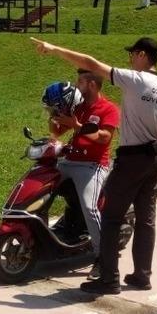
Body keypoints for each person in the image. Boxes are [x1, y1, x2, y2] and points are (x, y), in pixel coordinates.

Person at [31, 36, 157, 295]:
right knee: (146, 220)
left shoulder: (136, 79)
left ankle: (108, 278)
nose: (130, 59)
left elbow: (90, 63)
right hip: (153, 159)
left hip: (131, 157)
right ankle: (142, 276)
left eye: (133, 54)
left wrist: (53, 49)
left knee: (110, 216)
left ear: (142, 55)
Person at [46, 70, 120, 279]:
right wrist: (54, 115)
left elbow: (104, 138)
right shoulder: (77, 106)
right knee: (39, 183)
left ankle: (102, 257)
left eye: (81, 81)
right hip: (69, 161)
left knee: (90, 207)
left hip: (92, 166)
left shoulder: (109, 109)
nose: (77, 85)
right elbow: (57, 132)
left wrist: (77, 126)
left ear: (93, 85)